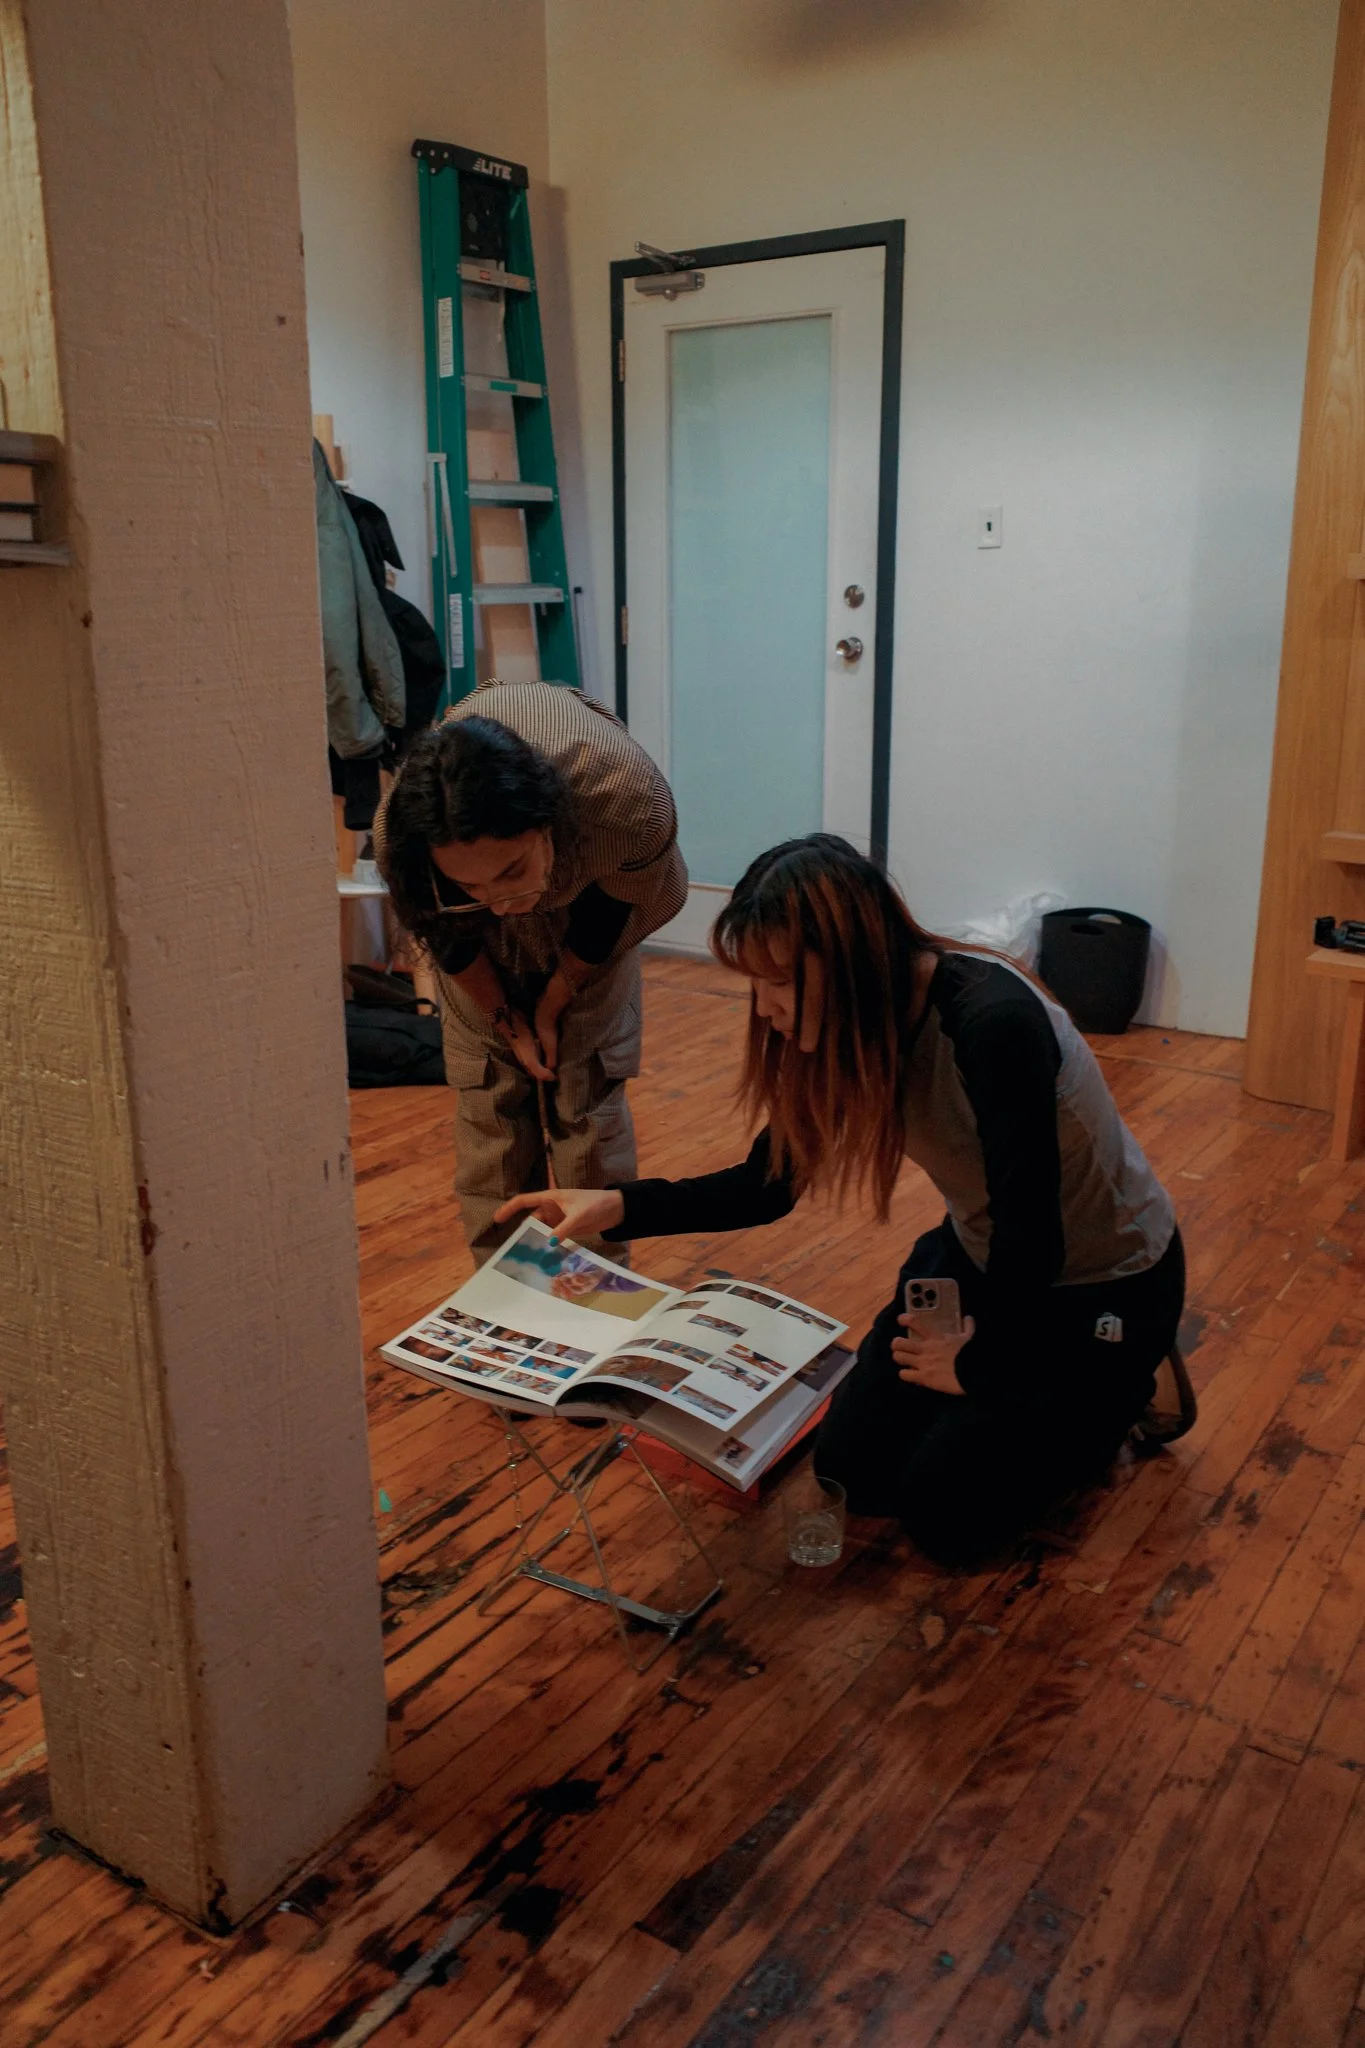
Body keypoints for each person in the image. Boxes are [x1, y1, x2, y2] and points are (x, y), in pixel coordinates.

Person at [493, 833, 1187, 1565]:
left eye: (782, 984)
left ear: (855, 962)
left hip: (1096, 1285)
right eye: (753, 985)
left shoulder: (991, 1023)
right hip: (985, 1256)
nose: (765, 1011)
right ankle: (1027, 1397)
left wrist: (978, 1366)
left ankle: (1119, 1383)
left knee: (947, 1520)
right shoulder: (846, 1026)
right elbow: (768, 1187)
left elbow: (1032, 1238)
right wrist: (615, 1206)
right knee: (853, 1471)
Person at [377, 680, 686, 1262]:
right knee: (490, 1096)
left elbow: (615, 908)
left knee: (583, 1093)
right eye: (471, 884)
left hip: (592, 901)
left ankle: (596, 1279)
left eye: (511, 869)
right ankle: (504, 1286)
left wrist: (552, 1001)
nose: (501, 903)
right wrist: (505, 1018)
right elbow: (443, 933)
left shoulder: (624, 802)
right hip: (462, 926)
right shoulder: (403, 840)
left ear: (548, 824)